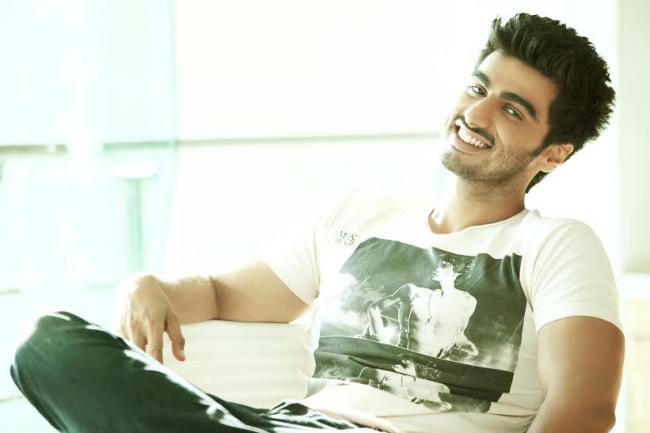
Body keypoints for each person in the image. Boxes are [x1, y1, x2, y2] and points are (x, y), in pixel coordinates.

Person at [10, 12, 624, 433]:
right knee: (49, 343)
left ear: (552, 154)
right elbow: (223, 293)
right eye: (476, 88)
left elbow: (585, 408)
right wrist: (149, 286)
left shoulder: (555, 245)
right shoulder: (357, 214)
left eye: (512, 110)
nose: (477, 113)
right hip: (280, 423)